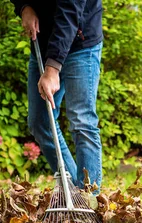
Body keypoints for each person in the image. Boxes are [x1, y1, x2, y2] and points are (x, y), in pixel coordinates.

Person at [10, 0, 104, 190]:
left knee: (82, 121)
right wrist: (24, 6)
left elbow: (70, 11)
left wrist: (52, 69)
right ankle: (74, 193)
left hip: (81, 41)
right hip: (44, 42)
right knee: (40, 121)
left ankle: (89, 199)